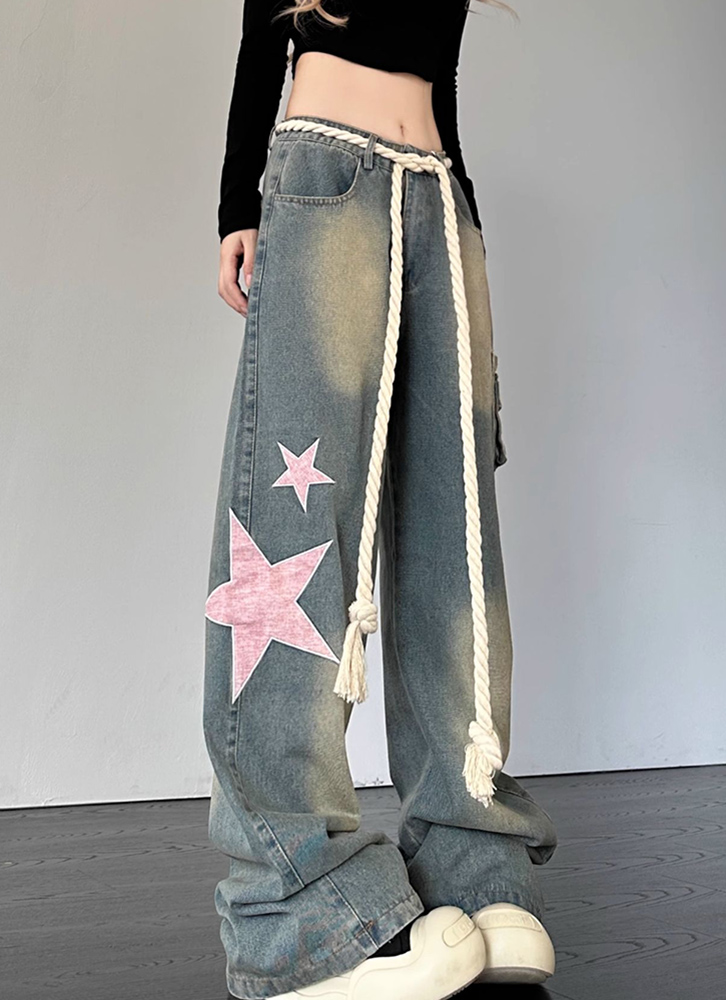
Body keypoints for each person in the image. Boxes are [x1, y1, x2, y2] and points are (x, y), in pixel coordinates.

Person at [203, 2, 558, 998]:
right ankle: (295, 910)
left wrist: (464, 220)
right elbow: (261, 40)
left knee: (456, 535)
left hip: (437, 195)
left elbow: (441, 74)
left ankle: (470, 859)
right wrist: (238, 206)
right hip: (325, 178)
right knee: (292, 533)